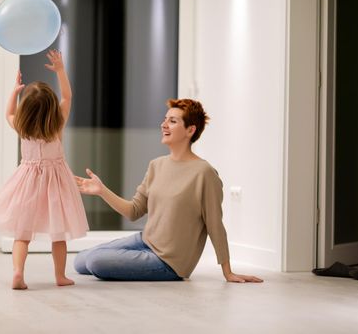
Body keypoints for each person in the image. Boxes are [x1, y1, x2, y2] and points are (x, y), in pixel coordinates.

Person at [74, 99, 263, 283]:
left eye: (172, 121)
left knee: (95, 261)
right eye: (165, 119)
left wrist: (227, 271)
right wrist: (101, 190)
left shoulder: (204, 173)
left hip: (168, 262)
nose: (164, 125)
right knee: (80, 261)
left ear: (190, 130)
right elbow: (133, 211)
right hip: (144, 241)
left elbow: (215, 224)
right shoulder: (156, 165)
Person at [0, 50, 89, 289]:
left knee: (22, 233)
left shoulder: (21, 126)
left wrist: (15, 92)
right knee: (59, 234)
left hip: (27, 181)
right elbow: (67, 97)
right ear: (51, 107)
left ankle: (18, 273)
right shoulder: (57, 122)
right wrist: (60, 70)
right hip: (56, 183)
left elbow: (8, 112)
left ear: (25, 110)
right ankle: (60, 276)